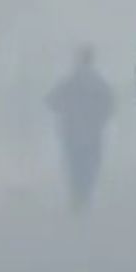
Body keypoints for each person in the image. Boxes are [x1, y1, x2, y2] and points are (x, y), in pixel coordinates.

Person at [47, 44, 115, 212]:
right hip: (92, 132)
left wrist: (65, 111)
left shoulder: (69, 81)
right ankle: (84, 195)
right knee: (90, 165)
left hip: (71, 131)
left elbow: (51, 100)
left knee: (73, 164)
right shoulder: (98, 83)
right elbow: (110, 105)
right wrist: (100, 119)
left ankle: (76, 196)